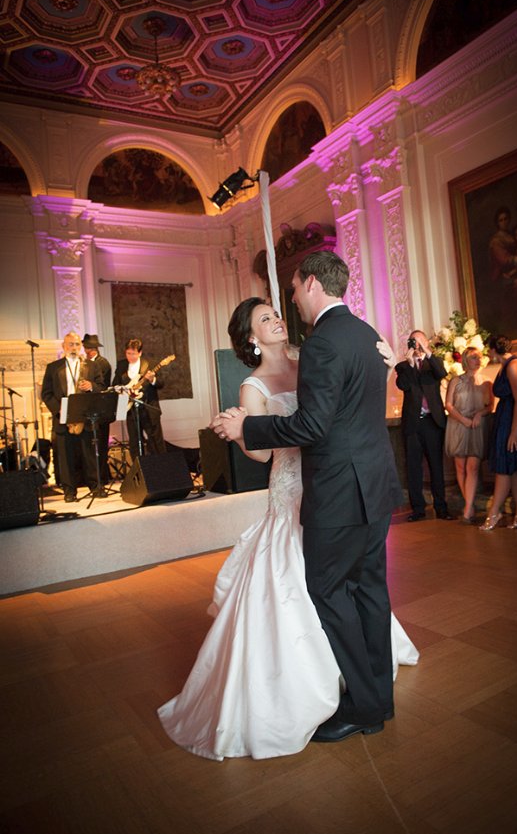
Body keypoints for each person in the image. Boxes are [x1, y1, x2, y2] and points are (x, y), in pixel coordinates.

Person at [158, 295, 418, 760]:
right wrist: (243, 431)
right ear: (250, 339)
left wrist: (385, 359)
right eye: (265, 320)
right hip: (295, 489)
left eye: (276, 314)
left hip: (337, 485)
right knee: (313, 584)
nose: (277, 321)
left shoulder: (313, 354)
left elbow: (334, 407)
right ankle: (327, 684)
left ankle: (360, 684)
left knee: (342, 584)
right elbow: (259, 455)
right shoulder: (252, 387)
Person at [210, 252, 405, 744]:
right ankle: (378, 699)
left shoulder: (320, 344)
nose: (291, 300)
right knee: (370, 590)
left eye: (294, 289)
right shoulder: (366, 334)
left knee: (327, 589)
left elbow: (313, 426)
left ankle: (363, 704)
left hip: (338, 492)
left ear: (312, 283)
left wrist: (245, 426)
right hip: (375, 483)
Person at [479, 335, 517, 531]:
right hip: (504, 417)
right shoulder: (504, 366)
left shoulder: (514, 366)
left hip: (514, 419)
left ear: (495, 349)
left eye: (488, 349)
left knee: (504, 465)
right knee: (511, 467)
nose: (487, 353)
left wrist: (514, 432)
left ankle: (494, 512)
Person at [41, 331, 106, 502]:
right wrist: (58, 409)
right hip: (63, 417)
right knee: (65, 456)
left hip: (86, 416)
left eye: (77, 344)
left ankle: (95, 487)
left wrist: (91, 386)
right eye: (71, 344)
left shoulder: (92, 366)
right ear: (63, 346)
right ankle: (70, 492)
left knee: (90, 455)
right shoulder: (53, 367)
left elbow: (101, 387)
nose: (74, 347)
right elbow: (46, 394)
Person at [395, 330, 453, 522]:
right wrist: (411, 363)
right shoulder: (404, 366)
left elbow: (442, 373)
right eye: (413, 341)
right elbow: (402, 385)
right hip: (413, 424)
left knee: (436, 466)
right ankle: (418, 509)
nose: (417, 344)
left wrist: (426, 350)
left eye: (419, 340)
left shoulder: (433, 363)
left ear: (426, 342)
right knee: (413, 468)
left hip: (432, 422)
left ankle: (441, 507)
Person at [444, 347, 493, 523]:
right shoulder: (456, 380)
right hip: (458, 424)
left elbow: (490, 406)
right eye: (473, 357)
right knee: (460, 467)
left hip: (476, 426)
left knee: (472, 467)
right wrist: (462, 419)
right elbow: (448, 405)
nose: (477, 360)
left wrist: (480, 414)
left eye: (479, 357)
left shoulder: (487, 382)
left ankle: (467, 509)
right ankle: (469, 505)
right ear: (465, 360)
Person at [112, 338, 166, 460]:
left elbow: (161, 383)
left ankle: (161, 469)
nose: (130, 356)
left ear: (140, 353)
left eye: (134, 354)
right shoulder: (121, 365)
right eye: (128, 353)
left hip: (148, 409)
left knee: (155, 442)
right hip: (131, 411)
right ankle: (140, 471)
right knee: (135, 443)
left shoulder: (149, 364)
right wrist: (123, 391)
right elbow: (115, 384)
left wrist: (152, 379)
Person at [82, 333, 112, 486]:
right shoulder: (86, 363)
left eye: (87, 348)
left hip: (101, 409)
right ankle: (95, 478)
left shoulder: (102, 363)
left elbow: (102, 387)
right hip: (91, 409)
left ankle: (103, 477)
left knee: (100, 445)